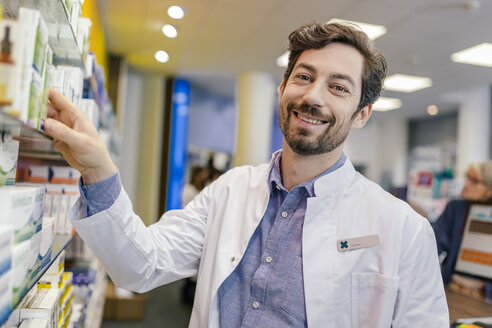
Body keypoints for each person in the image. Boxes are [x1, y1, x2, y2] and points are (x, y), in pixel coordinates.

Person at [43, 22, 448, 327]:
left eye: (339, 87)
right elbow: (140, 266)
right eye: (304, 77)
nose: (312, 97)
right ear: (282, 88)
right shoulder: (232, 190)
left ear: (361, 114)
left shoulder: (404, 231)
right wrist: (98, 170)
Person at [433, 161, 492, 292]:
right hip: (453, 284)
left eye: (474, 181)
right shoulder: (454, 208)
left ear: (489, 190)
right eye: (467, 177)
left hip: (484, 292)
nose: (466, 184)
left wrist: (484, 287)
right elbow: (434, 243)